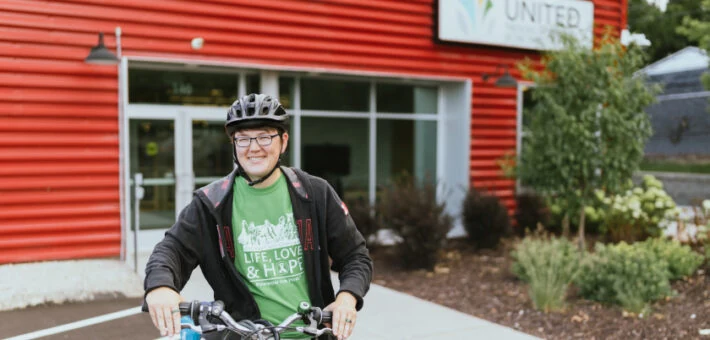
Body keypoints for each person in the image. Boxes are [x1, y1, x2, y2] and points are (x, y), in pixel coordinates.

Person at [143, 93, 373, 340]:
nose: (253, 148)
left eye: (264, 136)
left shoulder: (315, 193)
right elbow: (171, 250)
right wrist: (160, 286)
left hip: (311, 334)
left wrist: (346, 299)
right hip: (242, 334)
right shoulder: (212, 202)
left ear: (283, 141)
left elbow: (355, 256)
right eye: (242, 139)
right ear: (234, 145)